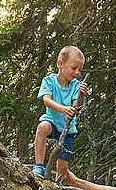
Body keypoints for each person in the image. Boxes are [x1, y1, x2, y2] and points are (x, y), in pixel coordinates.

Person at [32, 45, 88, 179]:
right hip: (51, 121)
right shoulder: (49, 81)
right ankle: (39, 165)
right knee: (42, 128)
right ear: (60, 64)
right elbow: (47, 100)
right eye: (74, 68)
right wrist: (63, 109)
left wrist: (81, 95)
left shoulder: (76, 86)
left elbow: (77, 106)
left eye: (80, 69)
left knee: (62, 168)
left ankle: (59, 189)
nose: (77, 72)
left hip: (68, 129)